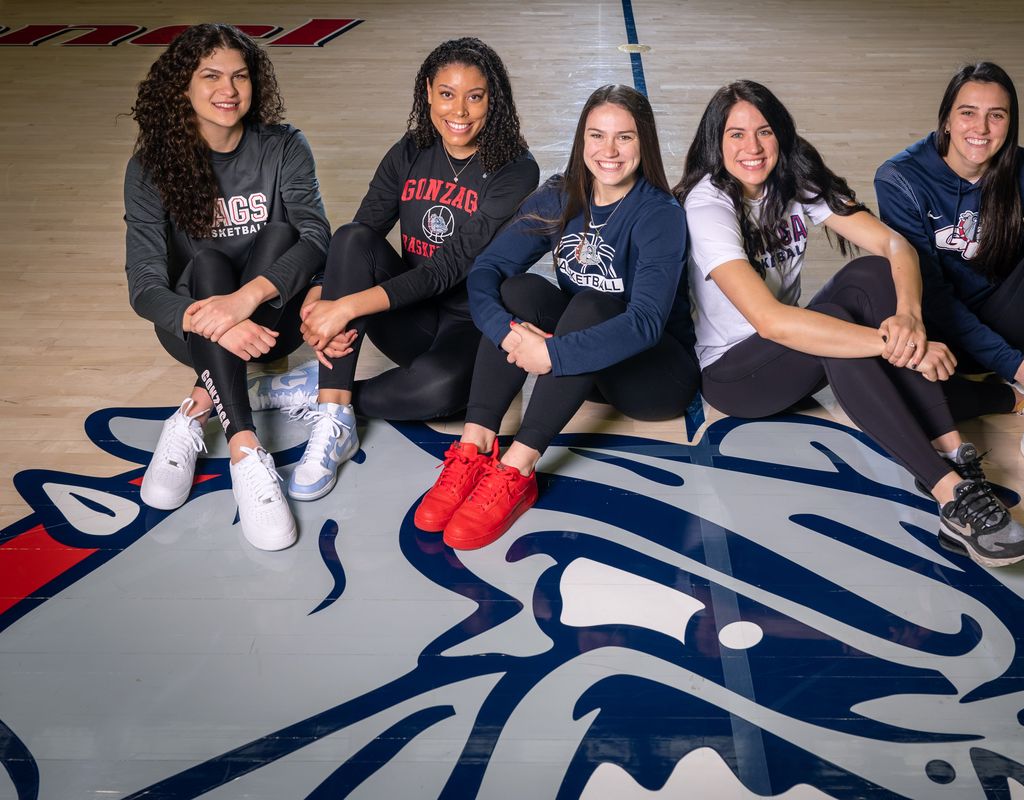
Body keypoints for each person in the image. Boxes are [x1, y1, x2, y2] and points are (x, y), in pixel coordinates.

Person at [676, 80, 1024, 568]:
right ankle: (952, 494)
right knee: (833, 329)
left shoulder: (793, 179)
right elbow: (772, 321)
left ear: (780, 134)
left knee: (869, 276)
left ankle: (954, 446)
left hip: (795, 347)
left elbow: (896, 247)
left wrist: (909, 319)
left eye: (763, 132)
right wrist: (895, 345)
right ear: (715, 142)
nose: (752, 148)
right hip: (736, 375)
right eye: (736, 134)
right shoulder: (708, 205)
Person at [413, 84, 699, 550]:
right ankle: (475, 446)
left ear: (643, 142)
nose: (608, 151)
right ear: (580, 139)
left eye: (624, 138)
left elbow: (646, 323)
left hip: (654, 377)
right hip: (586, 364)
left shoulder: (658, 213)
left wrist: (551, 353)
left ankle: (517, 469)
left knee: (591, 304)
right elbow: (487, 271)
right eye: (597, 135)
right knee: (518, 290)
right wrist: (508, 334)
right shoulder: (561, 195)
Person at [282, 37, 539, 502]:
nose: (458, 110)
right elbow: (362, 229)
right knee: (352, 237)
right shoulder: (410, 150)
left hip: (471, 323)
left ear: (493, 100)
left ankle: (324, 391)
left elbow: (449, 268)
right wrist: (321, 292)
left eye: (474, 96)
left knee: (442, 394)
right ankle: (334, 416)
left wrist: (345, 309)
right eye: (446, 93)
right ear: (427, 92)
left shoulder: (515, 170)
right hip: (409, 315)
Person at [124, 23, 330, 550]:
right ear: (182, 88)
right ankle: (244, 449)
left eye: (240, 76)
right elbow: (146, 287)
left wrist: (245, 303)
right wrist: (211, 320)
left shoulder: (283, 146)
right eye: (211, 76)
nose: (229, 90)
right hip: (194, 331)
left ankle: (196, 407)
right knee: (210, 263)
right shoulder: (150, 168)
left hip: (273, 324)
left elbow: (314, 237)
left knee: (280, 231)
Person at [875, 62, 1024, 505]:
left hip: (1007, 317)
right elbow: (934, 297)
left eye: (997, 115)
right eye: (967, 112)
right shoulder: (901, 178)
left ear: (1011, 122)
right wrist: (1015, 365)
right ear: (946, 118)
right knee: (901, 400)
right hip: (940, 335)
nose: (981, 128)